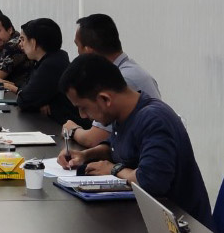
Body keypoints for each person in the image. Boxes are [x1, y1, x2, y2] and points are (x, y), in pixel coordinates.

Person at [56, 54, 214, 229]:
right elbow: (117, 148)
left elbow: (150, 182)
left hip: (179, 225)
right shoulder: (124, 113)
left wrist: (113, 169)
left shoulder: (154, 119)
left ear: (105, 99)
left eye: (83, 107)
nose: (82, 115)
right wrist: (85, 155)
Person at [62, 14, 161, 147]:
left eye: (77, 46)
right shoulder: (130, 70)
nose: (78, 53)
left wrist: (72, 130)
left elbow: (94, 139)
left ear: (89, 52)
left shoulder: (124, 79)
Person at [0, 18, 90, 127]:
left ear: (33, 43)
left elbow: (24, 101)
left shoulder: (52, 64)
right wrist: (38, 102)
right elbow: (25, 88)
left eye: (23, 40)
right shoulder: (47, 59)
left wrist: (35, 102)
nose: (20, 44)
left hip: (69, 126)